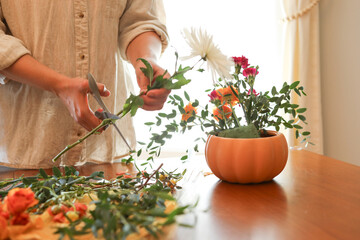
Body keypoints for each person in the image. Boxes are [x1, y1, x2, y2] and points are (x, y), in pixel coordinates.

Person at [0, 0, 170, 168]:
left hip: (106, 150)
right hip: (22, 150)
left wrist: (146, 60)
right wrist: (58, 85)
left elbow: (141, 20)